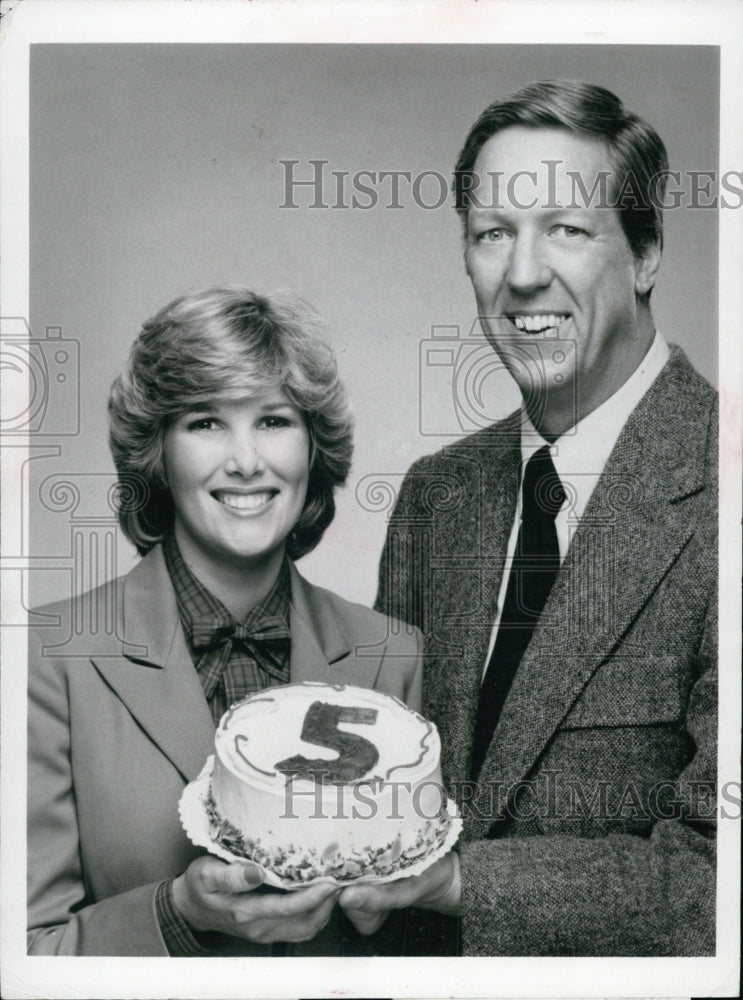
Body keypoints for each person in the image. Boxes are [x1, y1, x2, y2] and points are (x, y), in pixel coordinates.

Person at [337, 80, 717, 955]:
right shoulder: (436, 495)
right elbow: (390, 791)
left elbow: (716, 877)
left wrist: (459, 882)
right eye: (492, 233)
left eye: (567, 229)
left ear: (647, 251)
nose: (520, 273)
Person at [27, 285, 422, 956]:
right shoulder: (48, 658)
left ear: (311, 447)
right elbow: (24, 955)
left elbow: (416, 948)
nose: (245, 460)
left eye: (273, 420)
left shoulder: (391, 655)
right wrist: (177, 914)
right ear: (157, 452)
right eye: (205, 422)